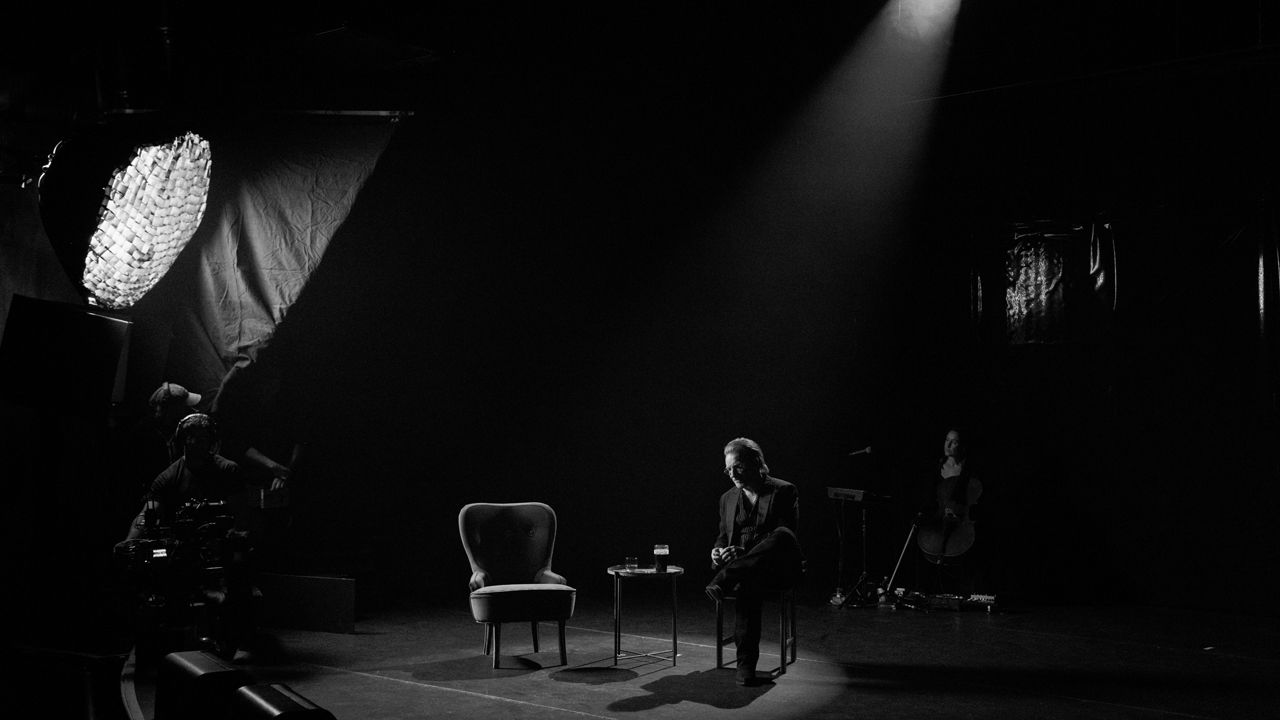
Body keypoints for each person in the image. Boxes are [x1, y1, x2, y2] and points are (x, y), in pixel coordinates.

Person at [706, 437, 805, 686]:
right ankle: (746, 665)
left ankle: (726, 578)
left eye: (737, 467)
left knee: (782, 534)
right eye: (728, 469)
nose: (732, 474)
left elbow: (785, 536)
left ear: (755, 463)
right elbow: (722, 536)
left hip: (777, 567)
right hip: (748, 574)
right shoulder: (727, 498)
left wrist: (743, 553)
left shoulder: (784, 490)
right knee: (749, 582)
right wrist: (717, 551)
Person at [913, 427, 984, 594]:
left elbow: (975, 500)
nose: (949, 445)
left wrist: (958, 513)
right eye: (947, 440)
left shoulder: (970, 470)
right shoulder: (936, 467)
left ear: (962, 446)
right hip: (937, 519)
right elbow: (928, 498)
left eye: (954, 442)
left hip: (961, 522)